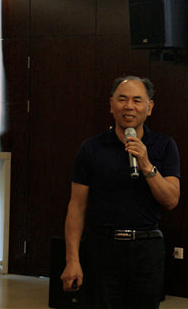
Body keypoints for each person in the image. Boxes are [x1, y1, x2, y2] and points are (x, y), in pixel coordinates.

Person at [60, 76, 181, 309]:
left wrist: (146, 164)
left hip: (147, 248)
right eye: (122, 99)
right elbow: (76, 206)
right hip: (102, 248)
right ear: (111, 105)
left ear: (149, 107)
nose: (129, 106)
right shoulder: (91, 148)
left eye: (137, 100)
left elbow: (171, 200)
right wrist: (72, 260)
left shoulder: (164, 145)